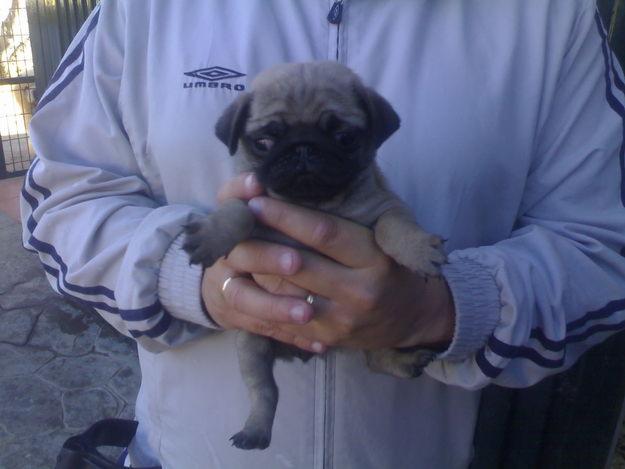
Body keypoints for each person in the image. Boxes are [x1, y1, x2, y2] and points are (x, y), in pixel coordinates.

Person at [20, 1, 625, 467]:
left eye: (338, 137)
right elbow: (62, 199)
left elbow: (600, 246)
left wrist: (441, 308)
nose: (303, 155)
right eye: (271, 139)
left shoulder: (546, 14)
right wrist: (192, 280)